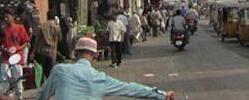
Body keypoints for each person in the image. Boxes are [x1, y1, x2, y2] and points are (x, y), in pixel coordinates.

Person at [36, 37, 175, 100]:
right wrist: (161, 95)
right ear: (95, 56)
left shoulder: (60, 71)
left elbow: (42, 96)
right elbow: (130, 89)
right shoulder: (100, 79)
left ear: (75, 54)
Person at [2, 10, 29, 100]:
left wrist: (17, 48)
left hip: (17, 58)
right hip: (5, 59)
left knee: (18, 79)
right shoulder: (3, 30)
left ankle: (19, 97)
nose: (6, 19)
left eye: (8, 17)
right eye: (5, 17)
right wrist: (4, 50)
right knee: (5, 80)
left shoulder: (20, 28)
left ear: (12, 17)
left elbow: (26, 43)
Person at [30, 11, 61, 85]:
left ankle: (43, 84)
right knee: (51, 70)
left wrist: (33, 52)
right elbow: (60, 39)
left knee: (43, 70)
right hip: (52, 51)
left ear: (47, 16)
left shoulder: (42, 26)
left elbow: (37, 41)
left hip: (42, 51)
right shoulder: (56, 27)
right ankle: (51, 86)